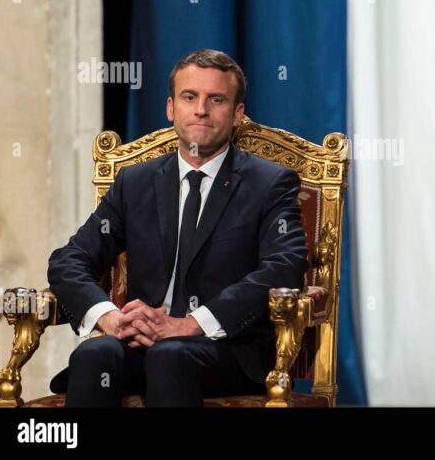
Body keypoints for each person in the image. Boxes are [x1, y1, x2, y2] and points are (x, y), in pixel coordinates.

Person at [48, 49, 308, 407]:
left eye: (216, 99)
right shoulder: (134, 182)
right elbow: (69, 260)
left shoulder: (269, 183)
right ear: (172, 108)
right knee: (95, 355)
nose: (201, 109)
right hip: (141, 345)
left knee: (169, 356)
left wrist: (191, 323)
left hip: (222, 352)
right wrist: (108, 318)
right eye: (190, 97)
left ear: (237, 114)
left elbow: (285, 268)